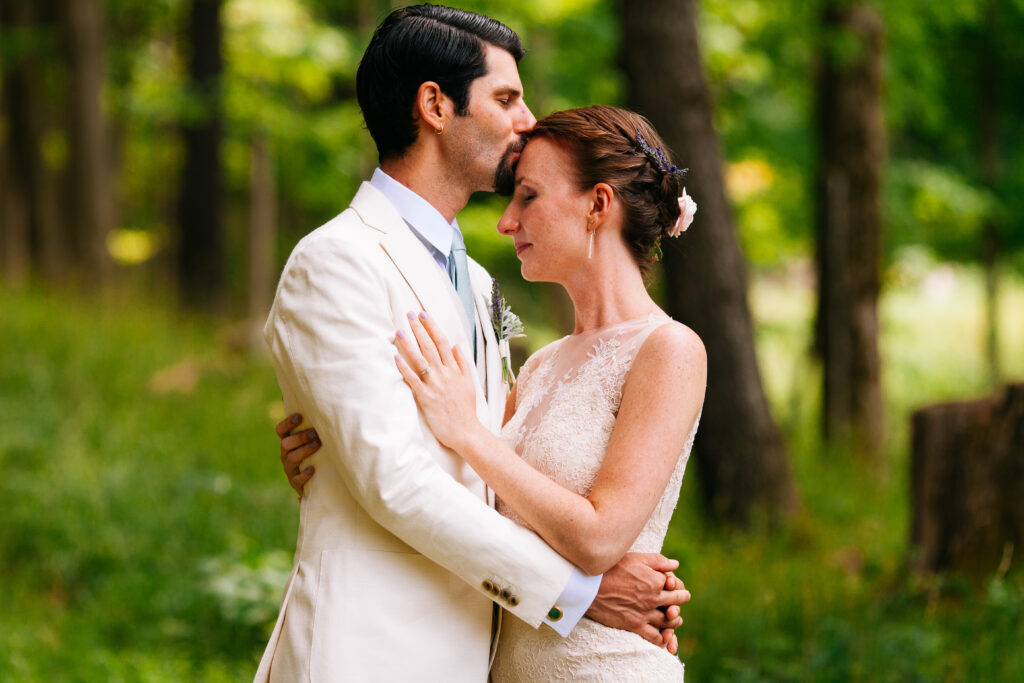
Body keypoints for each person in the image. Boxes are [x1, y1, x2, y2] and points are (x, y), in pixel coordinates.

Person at [256, 6, 689, 682]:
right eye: (507, 97)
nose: (526, 119)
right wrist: (578, 589)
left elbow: (487, 450)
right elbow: (394, 479)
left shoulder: (482, 282)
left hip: (482, 655)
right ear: (433, 104)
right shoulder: (336, 261)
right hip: (375, 653)